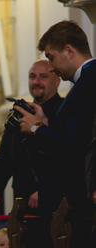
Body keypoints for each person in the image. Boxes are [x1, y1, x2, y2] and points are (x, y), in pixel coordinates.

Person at [13, 20, 96, 215]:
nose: (50, 67)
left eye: (51, 58)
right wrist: (46, 123)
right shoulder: (86, 81)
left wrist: (37, 129)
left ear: (69, 51)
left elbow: (74, 147)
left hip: (78, 201)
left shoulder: (88, 83)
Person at [0, 60, 63, 213]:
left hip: (54, 205)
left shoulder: (64, 112)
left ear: (57, 82)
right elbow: (4, 157)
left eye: (43, 77)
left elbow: (66, 158)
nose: (36, 82)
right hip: (22, 204)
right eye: (32, 77)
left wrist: (45, 189)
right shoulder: (19, 113)